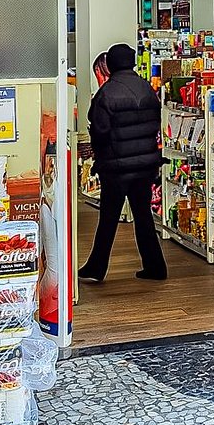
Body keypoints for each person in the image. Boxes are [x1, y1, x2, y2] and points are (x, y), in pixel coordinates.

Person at [78, 42, 164, 283]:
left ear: (111, 64)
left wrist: (100, 155)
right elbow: (155, 124)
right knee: (143, 216)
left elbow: (100, 131)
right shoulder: (147, 89)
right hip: (145, 166)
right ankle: (156, 266)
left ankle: (96, 267)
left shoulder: (106, 93)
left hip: (116, 167)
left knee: (108, 218)